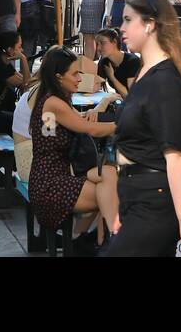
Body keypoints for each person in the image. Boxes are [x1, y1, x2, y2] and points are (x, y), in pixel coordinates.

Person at [99, 0, 181, 258]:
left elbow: (175, 156)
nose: (121, 28)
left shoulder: (166, 81)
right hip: (139, 199)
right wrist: (123, 206)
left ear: (150, 24)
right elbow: (134, 146)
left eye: (128, 20)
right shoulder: (145, 73)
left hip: (156, 203)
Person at [29, 46, 118, 248]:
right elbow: (90, 130)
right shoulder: (54, 103)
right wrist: (123, 126)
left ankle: (94, 240)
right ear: (59, 77)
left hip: (51, 178)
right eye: (76, 73)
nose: (80, 78)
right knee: (112, 191)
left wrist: (95, 112)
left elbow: (72, 124)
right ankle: (107, 241)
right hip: (50, 186)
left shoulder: (54, 100)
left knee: (109, 176)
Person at [95, 27, 141, 96]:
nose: (98, 48)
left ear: (114, 42)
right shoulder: (104, 62)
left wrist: (112, 78)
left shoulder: (132, 61)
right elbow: (96, 86)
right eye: (97, 44)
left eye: (102, 43)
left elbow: (130, 97)